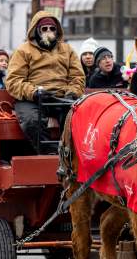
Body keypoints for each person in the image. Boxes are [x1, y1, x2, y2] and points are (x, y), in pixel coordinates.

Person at [5, 11, 85, 154]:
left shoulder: (67, 50)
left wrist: (72, 92)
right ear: (36, 29)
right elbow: (13, 80)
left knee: (76, 116)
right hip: (32, 98)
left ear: (57, 30)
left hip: (61, 96)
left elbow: (77, 76)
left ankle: (72, 153)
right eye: (44, 28)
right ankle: (50, 153)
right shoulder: (23, 50)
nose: (49, 31)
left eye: (52, 28)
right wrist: (34, 92)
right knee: (30, 120)